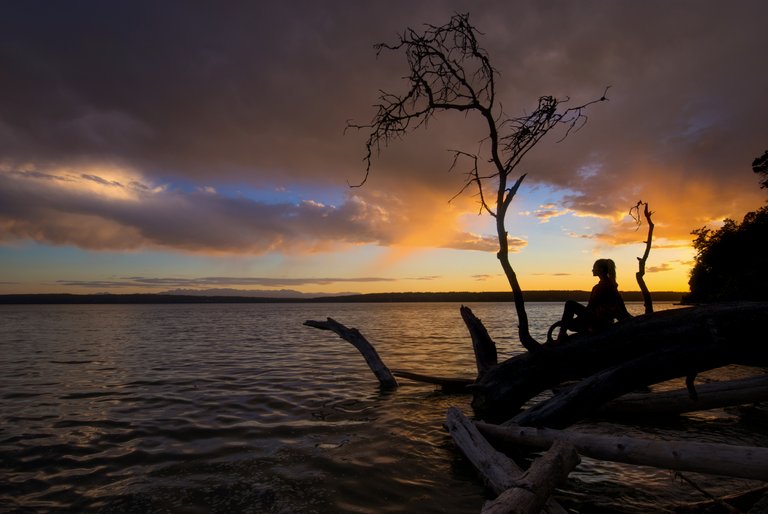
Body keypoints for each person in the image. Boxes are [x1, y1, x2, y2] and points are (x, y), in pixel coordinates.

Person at [551, 258, 631, 343]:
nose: (592, 270)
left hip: (596, 323)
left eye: (594, 267)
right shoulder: (611, 285)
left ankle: (562, 334)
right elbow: (621, 308)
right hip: (602, 322)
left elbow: (590, 308)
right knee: (569, 322)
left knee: (570, 304)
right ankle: (566, 331)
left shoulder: (601, 287)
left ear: (600, 270)